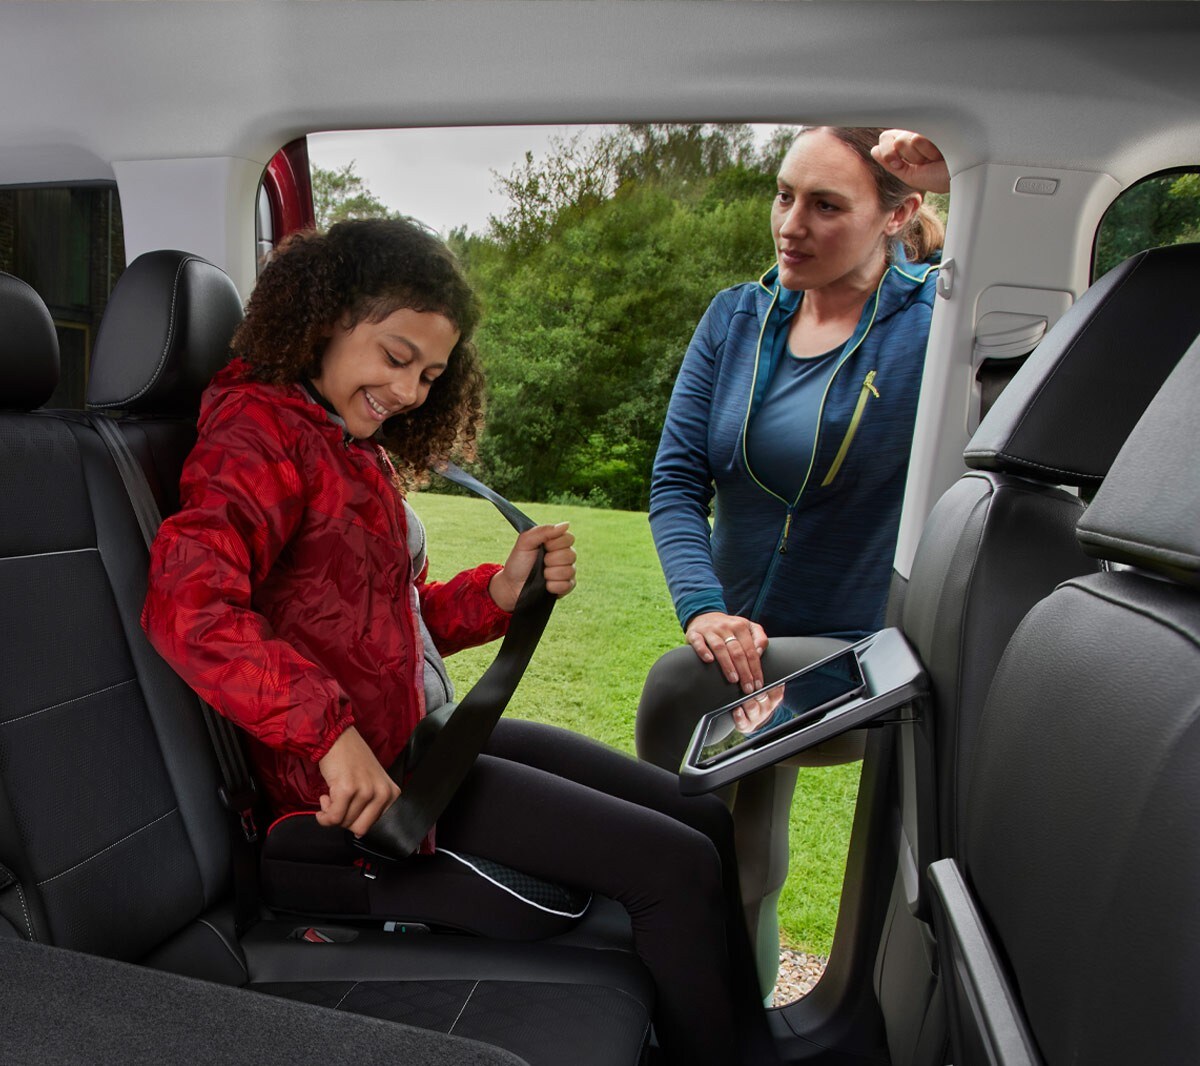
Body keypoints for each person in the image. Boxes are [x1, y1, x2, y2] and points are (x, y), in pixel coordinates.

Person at [141, 218, 771, 1066]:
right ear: (323, 320)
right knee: (674, 869)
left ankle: (760, 1041)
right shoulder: (257, 438)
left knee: (699, 815)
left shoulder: (345, 445)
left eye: (431, 375)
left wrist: (500, 593)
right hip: (357, 798)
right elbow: (190, 608)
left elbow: (382, 624)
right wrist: (329, 737)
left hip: (420, 743)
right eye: (395, 358)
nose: (408, 392)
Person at [643, 128, 948, 992]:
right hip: (740, 639)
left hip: (865, 653)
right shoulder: (735, 317)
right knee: (736, 845)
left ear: (901, 212)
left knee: (678, 692)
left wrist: (963, 164)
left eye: (825, 205)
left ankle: (644, 918)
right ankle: (728, 1011)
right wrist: (704, 606)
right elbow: (674, 482)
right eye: (784, 195)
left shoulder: (935, 323)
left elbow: (1035, 320)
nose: (791, 224)